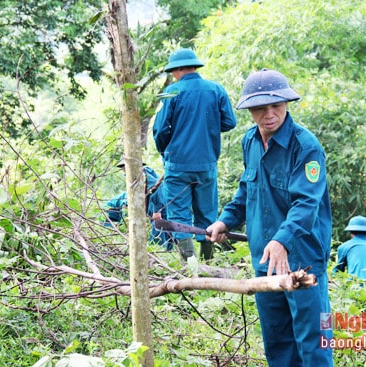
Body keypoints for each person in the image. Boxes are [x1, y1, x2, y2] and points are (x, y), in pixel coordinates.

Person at [207, 69, 334, 366]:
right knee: (277, 342)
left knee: (314, 341)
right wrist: (225, 220)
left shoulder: (305, 147)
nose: (269, 114)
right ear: (249, 109)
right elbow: (245, 192)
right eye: (260, 107)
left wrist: (283, 240)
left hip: (304, 259)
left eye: (276, 105)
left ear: (287, 103)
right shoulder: (249, 142)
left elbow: (306, 203)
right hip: (264, 261)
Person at [152, 48, 237, 261]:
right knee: (207, 215)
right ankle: (208, 262)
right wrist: (206, 129)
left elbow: (161, 130)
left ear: (177, 69)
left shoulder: (171, 92)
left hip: (178, 165)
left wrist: (167, 151)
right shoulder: (216, 89)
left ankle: (188, 268)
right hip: (207, 165)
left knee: (179, 216)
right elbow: (229, 122)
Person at [103, 160, 172, 249]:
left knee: (159, 234)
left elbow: (156, 188)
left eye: (124, 169)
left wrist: (157, 210)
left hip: (158, 206)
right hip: (148, 204)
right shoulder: (131, 185)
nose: (123, 171)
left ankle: (160, 253)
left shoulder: (144, 174)